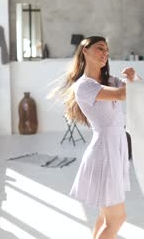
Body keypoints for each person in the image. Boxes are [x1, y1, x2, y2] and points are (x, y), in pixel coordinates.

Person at [53, 36, 138, 239]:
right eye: (100, 48)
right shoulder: (84, 86)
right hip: (104, 154)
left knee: (106, 216)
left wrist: (133, 78)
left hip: (115, 150)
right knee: (117, 219)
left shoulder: (108, 80)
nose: (105, 54)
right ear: (85, 51)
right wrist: (131, 82)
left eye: (107, 51)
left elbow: (133, 90)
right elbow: (120, 94)